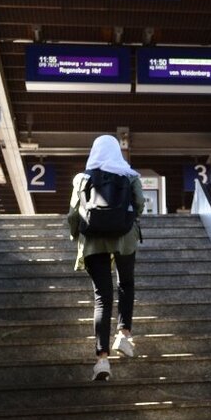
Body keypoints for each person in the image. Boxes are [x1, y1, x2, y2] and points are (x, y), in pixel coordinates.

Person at [66, 135, 145, 381]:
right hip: (125, 239)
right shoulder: (130, 176)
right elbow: (140, 205)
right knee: (126, 284)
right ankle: (123, 334)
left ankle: (102, 360)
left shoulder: (81, 178)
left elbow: (73, 215)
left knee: (102, 297)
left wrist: (76, 237)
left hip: (92, 242)